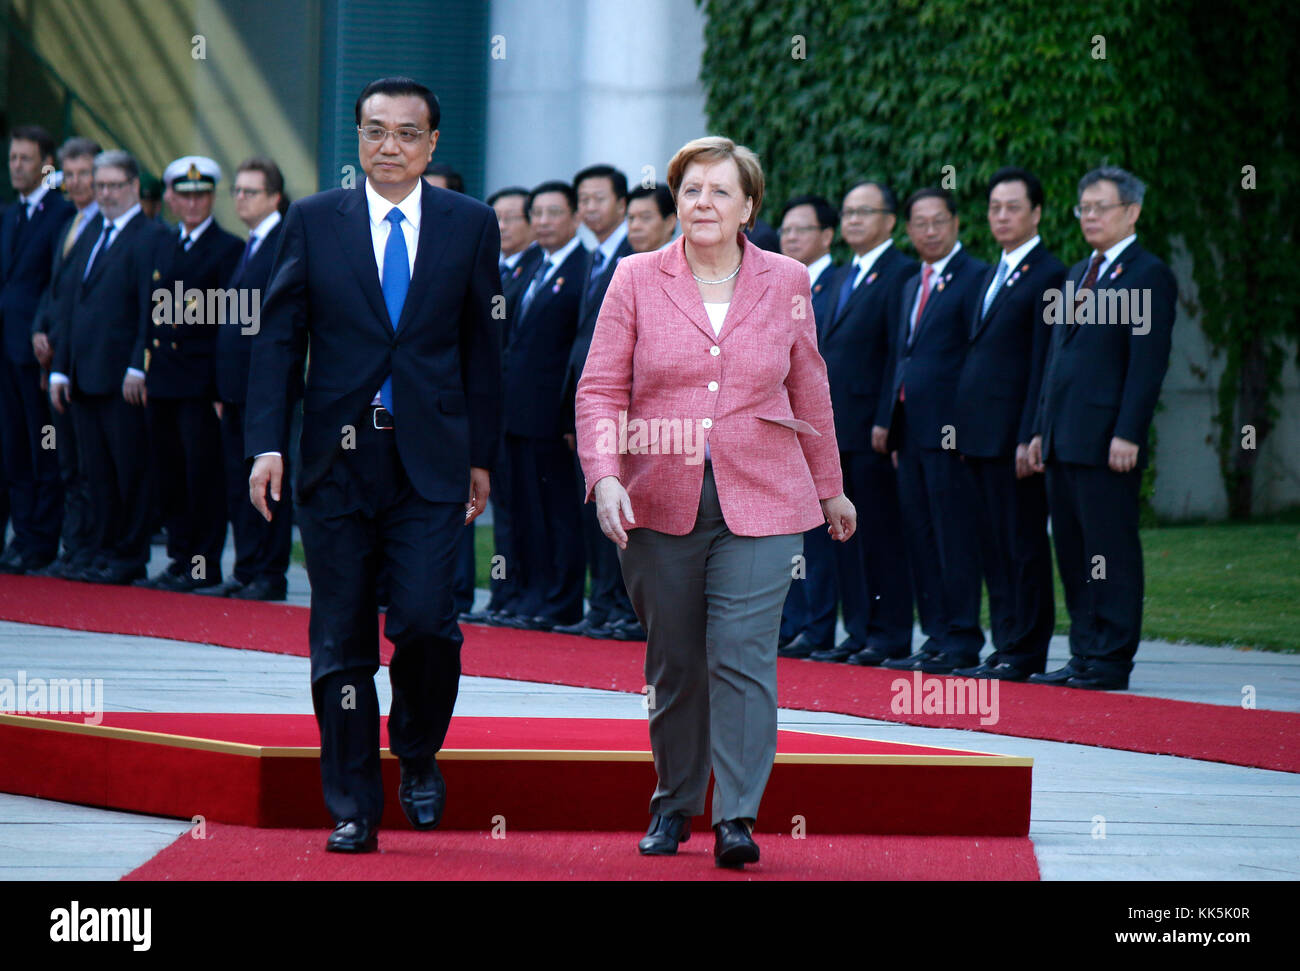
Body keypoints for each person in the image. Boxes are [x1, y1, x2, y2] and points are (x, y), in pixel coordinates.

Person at [576, 136, 855, 868]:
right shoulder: (635, 276)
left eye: (720, 191)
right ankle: (673, 802)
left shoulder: (788, 279)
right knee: (675, 662)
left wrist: (831, 488)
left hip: (764, 497)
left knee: (741, 654)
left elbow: (810, 386)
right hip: (655, 500)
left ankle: (736, 815)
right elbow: (600, 386)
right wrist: (604, 472)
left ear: (749, 207)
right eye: (691, 189)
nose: (703, 203)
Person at [246, 76, 501, 852]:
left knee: (426, 620)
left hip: (429, 459)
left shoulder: (470, 224)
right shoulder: (316, 221)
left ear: (431, 144)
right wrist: (268, 442)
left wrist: (481, 458)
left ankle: (417, 749)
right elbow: (280, 339)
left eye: (405, 133)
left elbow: (484, 351)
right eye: (374, 131)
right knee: (342, 636)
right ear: (357, 138)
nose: (388, 146)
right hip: (334, 459)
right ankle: (354, 803)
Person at [1027, 166, 1176, 691]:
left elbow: (1146, 364)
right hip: (1064, 438)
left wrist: (1129, 433)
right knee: (1072, 550)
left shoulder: (1147, 273)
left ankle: (1112, 657)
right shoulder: (1075, 274)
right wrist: (1042, 427)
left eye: (1101, 207)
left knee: (1108, 550)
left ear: (1131, 212)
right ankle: (1085, 652)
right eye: (1083, 208)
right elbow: (1057, 361)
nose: (1090, 216)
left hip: (1107, 442)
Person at [952, 167, 1063, 680]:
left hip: (1013, 438)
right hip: (978, 436)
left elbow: (1044, 363)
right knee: (992, 546)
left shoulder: (1048, 274)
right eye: (994, 207)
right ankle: (1005, 643)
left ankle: (1026, 648)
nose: (1001, 216)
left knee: (1022, 545)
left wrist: (1030, 434)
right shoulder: (989, 275)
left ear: (1036, 213)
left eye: (1012, 207)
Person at [878, 187, 989, 673]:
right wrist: (888, 419)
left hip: (949, 435)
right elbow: (900, 356)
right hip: (909, 434)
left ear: (956, 223)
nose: (929, 230)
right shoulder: (909, 284)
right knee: (919, 538)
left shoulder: (976, 279)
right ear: (908, 229)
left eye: (938, 221)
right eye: (919, 222)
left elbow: (974, 362)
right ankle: (937, 635)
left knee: (954, 537)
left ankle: (963, 638)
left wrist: (966, 429)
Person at [49, 150, 169, 585]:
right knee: (94, 471)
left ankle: (127, 555)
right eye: (100, 186)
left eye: (115, 185)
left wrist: (140, 364)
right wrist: (61, 367)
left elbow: (151, 309)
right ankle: (99, 550)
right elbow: (71, 304)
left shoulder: (151, 235)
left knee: (128, 471)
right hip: (83, 374)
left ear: (135, 186)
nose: (106, 193)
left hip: (123, 378)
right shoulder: (93, 230)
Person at [822, 179, 917, 666]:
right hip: (833, 429)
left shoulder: (902, 274)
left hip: (872, 429)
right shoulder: (840, 276)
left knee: (880, 532)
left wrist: (886, 418)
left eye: (865, 211)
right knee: (844, 534)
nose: (853, 220)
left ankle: (890, 633)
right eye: (849, 211)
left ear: (890, 221)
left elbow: (896, 355)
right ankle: (858, 629)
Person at [136, 156, 242, 593]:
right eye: (185, 195)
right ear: (172, 199)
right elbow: (150, 311)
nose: (194, 203)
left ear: (211, 197)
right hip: (163, 377)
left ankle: (202, 567)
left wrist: (222, 385)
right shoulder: (161, 244)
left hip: (201, 383)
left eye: (201, 195)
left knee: (203, 480)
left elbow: (235, 322)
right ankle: (180, 559)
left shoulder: (229, 249)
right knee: (170, 475)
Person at [198, 156, 293, 601]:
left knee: (268, 479)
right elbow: (232, 324)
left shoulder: (283, 242)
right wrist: (220, 386)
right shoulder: (251, 244)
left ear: (274, 196)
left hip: (266, 390)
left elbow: (279, 325)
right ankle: (247, 567)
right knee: (240, 482)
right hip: (236, 390)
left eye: (250, 191)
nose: (240, 198)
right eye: (236, 190)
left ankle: (270, 573)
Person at [497, 180, 588, 631]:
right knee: (525, 511)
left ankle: (561, 601)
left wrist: (571, 412)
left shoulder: (585, 267)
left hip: (553, 416)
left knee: (558, 514)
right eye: (539, 214)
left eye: (555, 212)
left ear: (574, 217)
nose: (545, 221)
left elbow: (578, 350)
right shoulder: (534, 267)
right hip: (517, 413)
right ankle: (529, 594)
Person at [557, 164, 638, 640]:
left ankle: (623, 607)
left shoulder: (633, 256)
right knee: (593, 510)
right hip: (589, 402)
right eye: (583, 199)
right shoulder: (594, 256)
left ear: (622, 205)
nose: (589, 208)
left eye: (599, 198)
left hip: (624, 408)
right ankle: (603, 602)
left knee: (622, 509)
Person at [0, 125, 74, 575]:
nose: (17, 166)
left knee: (41, 446)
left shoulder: (60, 214)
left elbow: (54, 282)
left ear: (47, 164)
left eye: (26, 159)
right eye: (12, 158)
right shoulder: (9, 215)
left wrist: (45, 333)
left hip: (35, 348)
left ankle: (41, 542)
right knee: (13, 448)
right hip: (5, 349)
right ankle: (22, 537)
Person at [774, 194, 842, 660]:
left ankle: (823, 628)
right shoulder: (775, 286)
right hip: (780, 428)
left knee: (830, 532)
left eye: (802, 229)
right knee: (786, 533)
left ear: (826, 236)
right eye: (786, 230)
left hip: (832, 427)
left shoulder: (841, 282)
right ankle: (795, 623)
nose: (791, 238)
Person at [30, 136, 101, 580]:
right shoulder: (69, 224)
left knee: (91, 467)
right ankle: (72, 549)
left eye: (84, 175)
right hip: (57, 361)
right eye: (69, 175)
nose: (75, 183)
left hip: (87, 365)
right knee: (67, 463)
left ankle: (85, 550)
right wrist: (40, 329)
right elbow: (53, 289)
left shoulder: (103, 228)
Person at [625, 184, 677, 253]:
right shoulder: (625, 261)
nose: (634, 226)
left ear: (670, 222)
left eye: (645, 217)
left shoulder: (685, 261)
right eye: (631, 218)